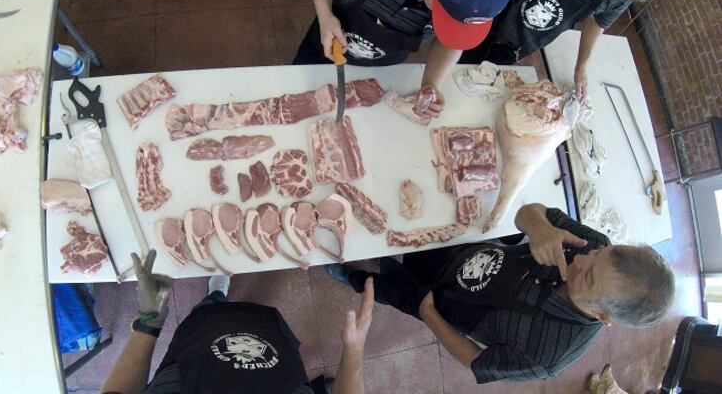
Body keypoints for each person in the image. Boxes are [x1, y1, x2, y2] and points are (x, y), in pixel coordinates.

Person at [325, 203, 676, 383]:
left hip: (444, 306)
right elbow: (531, 212)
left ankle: (351, 276)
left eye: (590, 277)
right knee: (401, 241)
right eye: (598, 255)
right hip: (460, 252)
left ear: (602, 316)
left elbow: (476, 361)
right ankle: (373, 251)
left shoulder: (546, 356)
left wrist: (429, 312)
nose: (581, 260)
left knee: (387, 288)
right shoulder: (591, 246)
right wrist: (539, 227)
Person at [102, 250, 376, 394]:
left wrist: (148, 325)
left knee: (209, 309)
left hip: (200, 337)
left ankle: (217, 293)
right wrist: (353, 349)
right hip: (273, 342)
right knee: (268, 320)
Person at [294, 0, 511, 112]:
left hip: (385, 69)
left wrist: (431, 83)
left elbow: (453, 42)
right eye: (445, 17)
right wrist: (324, 13)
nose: (446, 24)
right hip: (324, 45)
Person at [459, 0, 666, 101]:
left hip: (523, 41)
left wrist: (581, 64)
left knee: (479, 93)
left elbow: (599, 20)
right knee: (456, 69)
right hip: (491, 12)